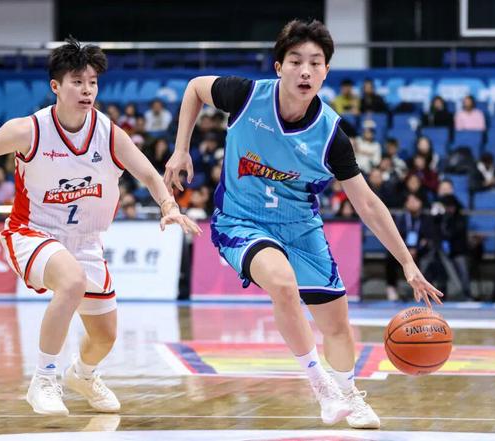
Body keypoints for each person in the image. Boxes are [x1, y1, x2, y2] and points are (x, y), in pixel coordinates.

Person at [165, 19, 442, 430]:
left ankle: (349, 393)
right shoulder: (245, 95)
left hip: (300, 228)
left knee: (338, 326)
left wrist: (407, 262)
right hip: (240, 221)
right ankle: (321, 386)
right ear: (279, 67)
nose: (305, 70)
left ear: (326, 72)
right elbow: (193, 88)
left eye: (315, 62)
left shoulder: (331, 135)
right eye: (296, 61)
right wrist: (180, 150)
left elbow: (367, 202)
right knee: (282, 283)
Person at [0, 38, 201, 416]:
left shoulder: (108, 133)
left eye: (92, 83)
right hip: (32, 232)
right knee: (72, 281)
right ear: (56, 86)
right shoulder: (30, 130)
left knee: (105, 336)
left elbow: (148, 174)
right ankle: (44, 380)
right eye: (77, 82)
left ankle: (83, 374)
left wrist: (168, 206)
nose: (87, 90)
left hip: (87, 242)